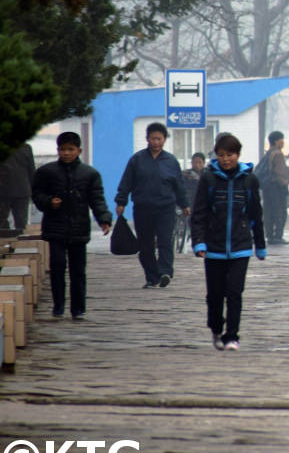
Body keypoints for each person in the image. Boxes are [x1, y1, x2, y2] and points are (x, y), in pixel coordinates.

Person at [191, 134, 266, 352]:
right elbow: (199, 213)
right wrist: (199, 243)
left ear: (238, 155)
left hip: (240, 246)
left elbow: (255, 214)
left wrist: (259, 245)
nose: (226, 159)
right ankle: (216, 327)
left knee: (234, 292)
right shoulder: (209, 179)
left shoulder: (249, 180)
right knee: (215, 294)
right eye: (221, 155)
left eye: (230, 155)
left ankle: (232, 335)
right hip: (213, 247)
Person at [31, 132, 112, 319]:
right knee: (57, 266)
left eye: (70, 149)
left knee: (78, 270)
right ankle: (58, 305)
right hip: (55, 226)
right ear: (58, 150)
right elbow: (37, 195)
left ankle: (78, 308)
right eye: (63, 149)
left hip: (79, 227)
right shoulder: (46, 172)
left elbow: (97, 199)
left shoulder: (90, 174)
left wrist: (104, 219)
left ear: (79, 151)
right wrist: (49, 202)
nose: (66, 153)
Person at [115, 122, 190, 289]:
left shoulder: (171, 161)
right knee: (146, 244)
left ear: (164, 140)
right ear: (147, 139)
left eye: (159, 139)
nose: (156, 142)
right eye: (153, 138)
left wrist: (184, 204)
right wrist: (121, 201)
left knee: (165, 241)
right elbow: (126, 182)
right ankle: (151, 276)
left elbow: (179, 185)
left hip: (165, 208)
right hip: (143, 207)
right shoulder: (137, 160)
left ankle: (165, 272)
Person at [261, 132, 289, 245]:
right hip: (276, 187)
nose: (282, 142)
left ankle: (270, 235)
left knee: (268, 211)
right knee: (280, 211)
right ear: (275, 141)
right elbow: (280, 173)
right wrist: (286, 183)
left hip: (267, 186)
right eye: (281, 139)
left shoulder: (268, 153)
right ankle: (278, 235)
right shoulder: (278, 154)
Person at [0, 142, 36, 230]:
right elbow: (32, 171)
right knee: (19, 225)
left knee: (18, 225)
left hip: (19, 191)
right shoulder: (25, 147)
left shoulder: (26, 147)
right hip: (17, 191)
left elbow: (31, 171)